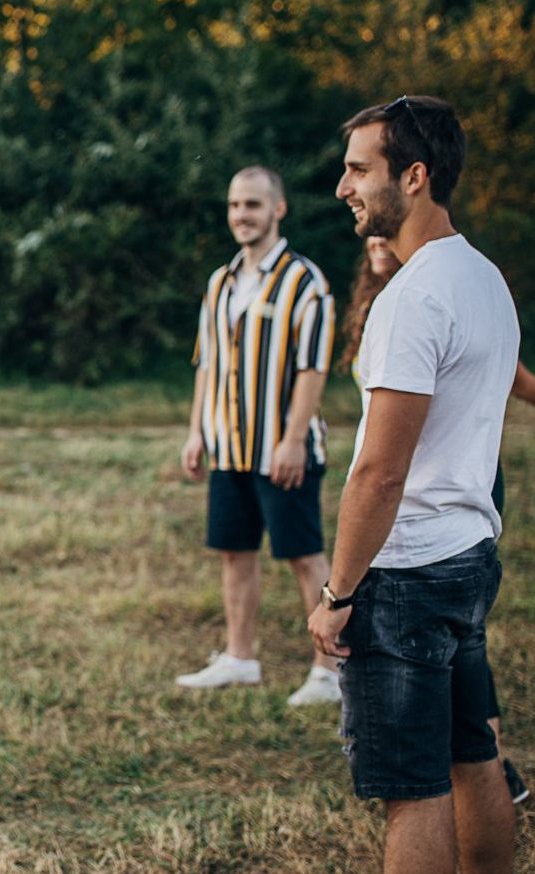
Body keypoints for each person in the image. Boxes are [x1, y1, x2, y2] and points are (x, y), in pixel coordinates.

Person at [311, 95, 518, 873]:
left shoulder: (413, 297)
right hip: (469, 553)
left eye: (360, 169)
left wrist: (337, 596)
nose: (344, 187)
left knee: (415, 788)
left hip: (406, 573)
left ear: (417, 175)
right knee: (474, 756)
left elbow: (380, 470)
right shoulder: (485, 278)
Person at [341, 233, 535, 806]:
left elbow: (383, 471)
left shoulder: (426, 297)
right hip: (424, 503)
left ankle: (489, 758)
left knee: (451, 677)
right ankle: (483, 757)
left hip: (437, 501)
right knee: (457, 661)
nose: (376, 241)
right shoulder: (395, 302)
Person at [176, 166, 340, 707]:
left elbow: (313, 369)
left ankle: (329, 671)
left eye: (252, 204)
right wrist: (197, 429)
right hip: (227, 447)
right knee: (234, 552)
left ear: (278, 209)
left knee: (303, 555)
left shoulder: (304, 281)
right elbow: (207, 364)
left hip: (280, 450)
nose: (241, 215)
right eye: (234, 205)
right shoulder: (220, 282)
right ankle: (240, 657)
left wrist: (293, 440)